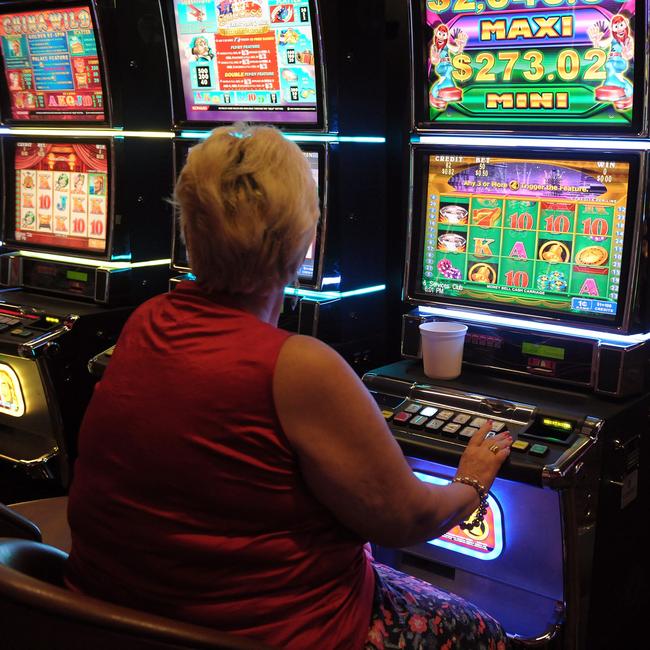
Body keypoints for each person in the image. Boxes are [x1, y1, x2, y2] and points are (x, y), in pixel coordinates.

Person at [65, 124, 512, 649]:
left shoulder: (146, 321)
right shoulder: (296, 367)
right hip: (261, 634)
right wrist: (472, 484)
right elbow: (405, 519)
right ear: (304, 240)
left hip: (112, 618)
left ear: (190, 226)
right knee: (484, 630)